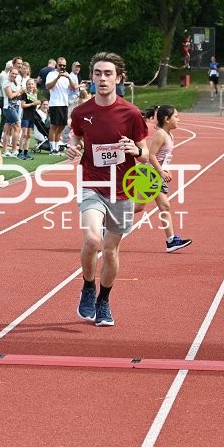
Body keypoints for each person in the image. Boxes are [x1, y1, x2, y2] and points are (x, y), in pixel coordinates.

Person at [66, 52, 149, 327]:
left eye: (108, 73)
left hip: (122, 190)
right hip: (92, 184)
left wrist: (135, 149)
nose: (102, 78)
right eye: (98, 73)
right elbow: (75, 135)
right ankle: (88, 286)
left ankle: (104, 300)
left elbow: (145, 153)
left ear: (119, 78)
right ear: (91, 77)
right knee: (92, 240)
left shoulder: (132, 113)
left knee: (111, 251)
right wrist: (73, 146)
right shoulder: (81, 112)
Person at [135, 105, 192, 252]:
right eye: (176, 117)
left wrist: (165, 170)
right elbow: (151, 156)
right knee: (141, 207)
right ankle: (106, 220)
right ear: (167, 119)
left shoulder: (169, 135)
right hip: (148, 174)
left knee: (151, 206)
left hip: (155, 174)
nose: (178, 119)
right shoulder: (160, 134)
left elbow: (163, 158)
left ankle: (171, 240)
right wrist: (161, 172)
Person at [45, 57, 78, 155]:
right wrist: (58, 77)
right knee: (54, 126)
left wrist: (68, 77)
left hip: (64, 103)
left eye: (64, 65)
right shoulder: (51, 74)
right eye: (60, 65)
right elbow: (48, 86)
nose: (62, 67)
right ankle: (52, 148)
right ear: (57, 65)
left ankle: (57, 146)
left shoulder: (67, 75)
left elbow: (74, 88)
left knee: (62, 126)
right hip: (55, 103)